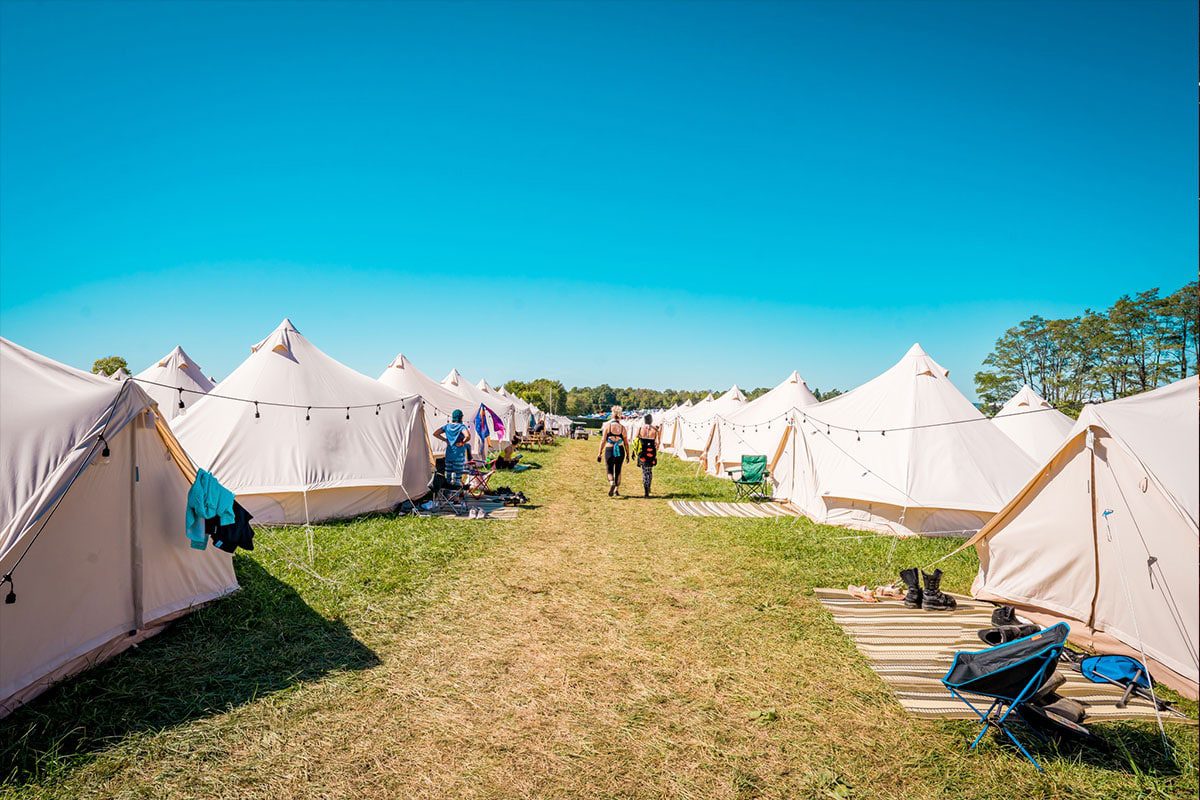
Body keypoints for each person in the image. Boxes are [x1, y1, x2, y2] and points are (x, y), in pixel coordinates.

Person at [596, 405, 629, 496]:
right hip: (620, 450)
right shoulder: (623, 428)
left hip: (609, 449)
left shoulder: (607, 426)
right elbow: (626, 443)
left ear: (612, 415)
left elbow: (603, 441)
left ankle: (611, 483)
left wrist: (599, 453)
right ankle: (616, 490)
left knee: (609, 469)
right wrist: (628, 455)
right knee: (618, 470)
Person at [433, 409, 472, 486]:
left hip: (449, 455)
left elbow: (435, 433)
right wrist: (462, 442)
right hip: (458, 455)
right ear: (461, 417)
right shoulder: (461, 427)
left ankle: (448, 495)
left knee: (448, 477)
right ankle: (456, 496)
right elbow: (467, 436)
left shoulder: (447, 426)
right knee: (458, 478)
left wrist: (445, 440)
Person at [634, 413, 660, 498]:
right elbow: (658, 443)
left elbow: (636, 439)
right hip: (651, 451)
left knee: (644, 471)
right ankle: (648, 487)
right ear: (651, 420)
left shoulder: (641, 428)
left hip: (643, 451)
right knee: (649, 470)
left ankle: (646, 488)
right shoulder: (655, 430)